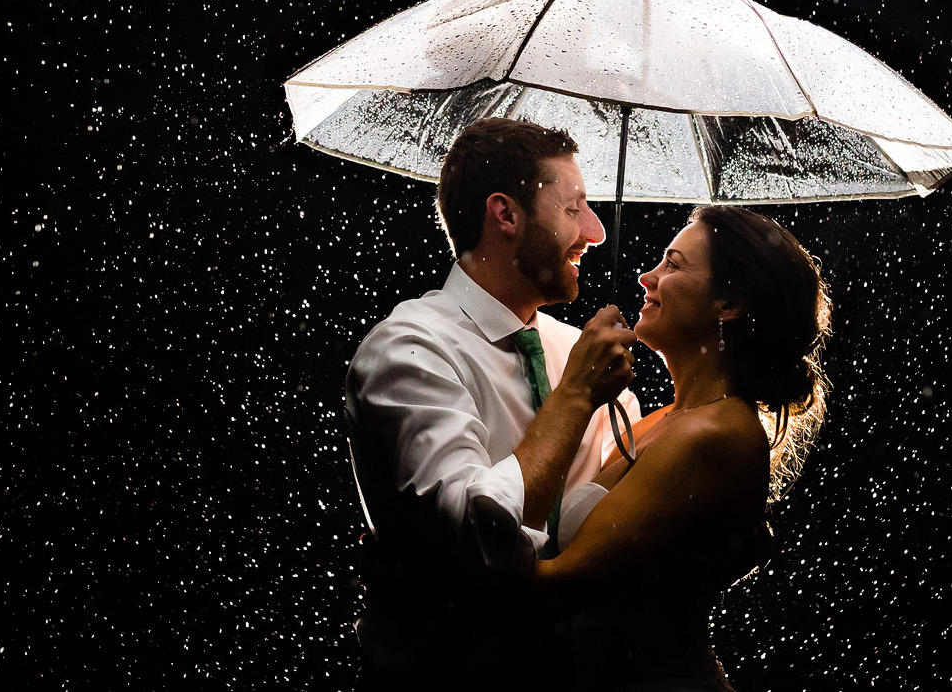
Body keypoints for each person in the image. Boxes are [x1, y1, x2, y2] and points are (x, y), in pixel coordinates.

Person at [344, 117, 640, 687]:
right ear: (504, 214)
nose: (596, 231)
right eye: (574, 207)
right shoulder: (409, 348)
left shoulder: (574, 350)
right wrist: (576, 396)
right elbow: (475, 544)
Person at [533, 204, 833, 692]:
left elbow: (562, 586)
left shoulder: (712, 436)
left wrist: (422, 573)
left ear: (729, 303)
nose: (645, 277)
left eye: (672, 265)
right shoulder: (665, 419)